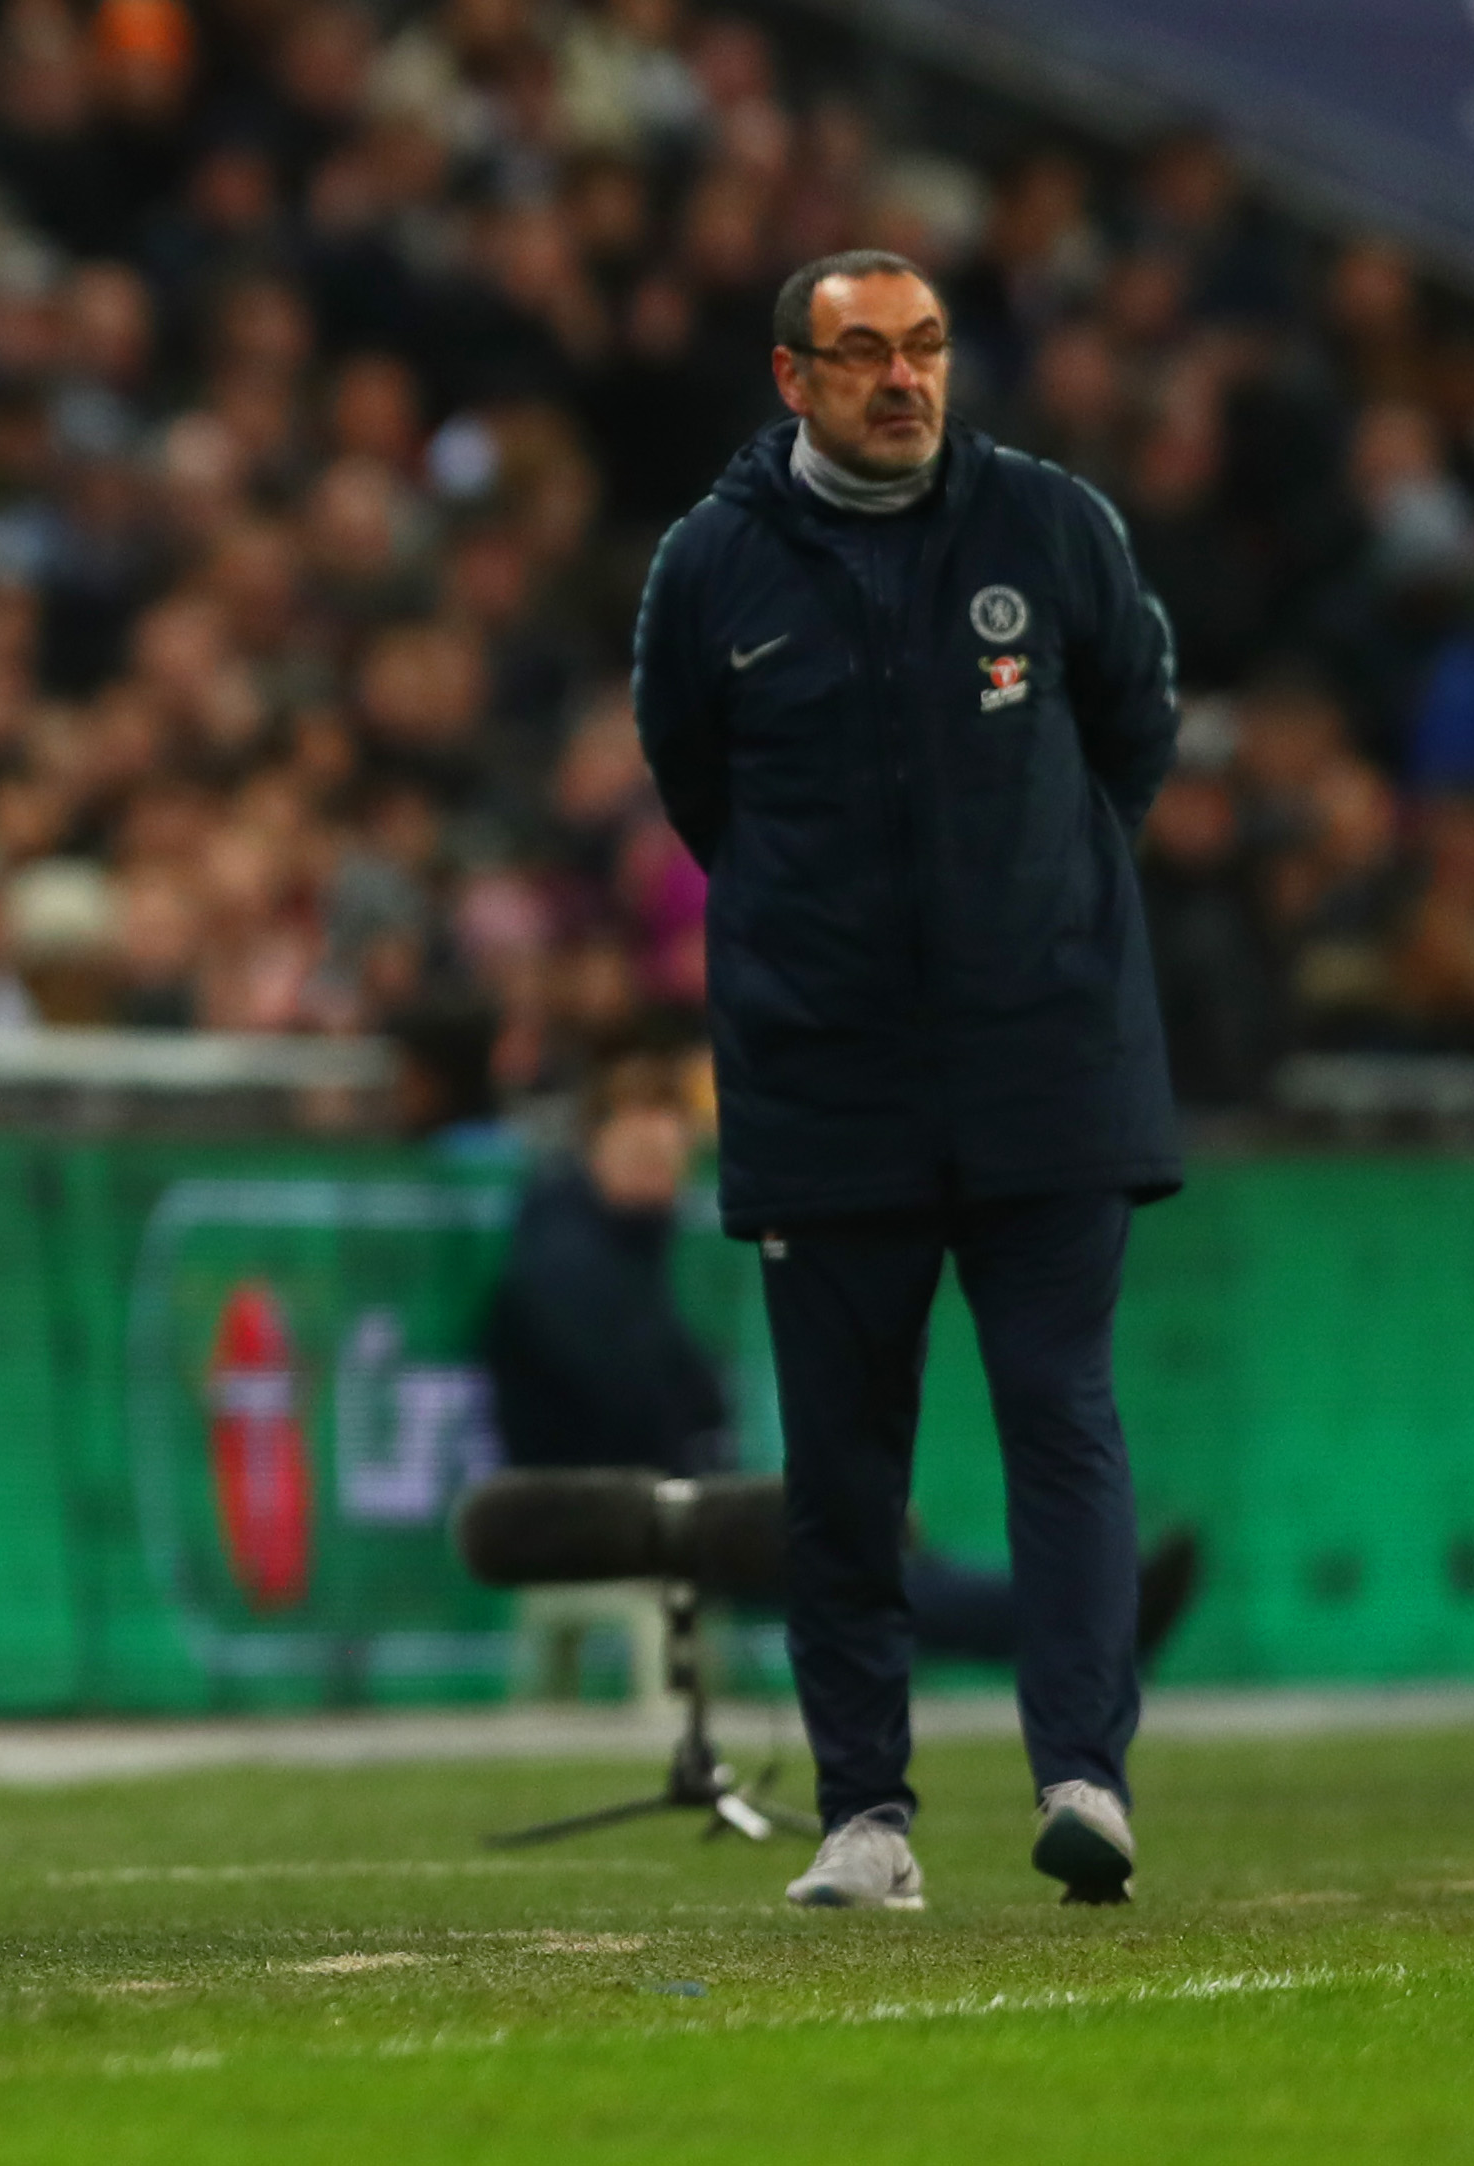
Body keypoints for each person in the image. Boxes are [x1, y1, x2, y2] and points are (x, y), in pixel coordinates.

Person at [632, 251, 1182, 1910]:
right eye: (863, 351)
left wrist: (1035, 917)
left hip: (1044, 1071)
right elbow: (692, 780)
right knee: (847, 1466)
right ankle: (864, 1815)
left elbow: (1132, 729)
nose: (904, 378)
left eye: (927, 346)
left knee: (1058, 1416)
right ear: (790, 376)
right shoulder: (712, 566)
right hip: (828, 1081)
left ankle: (1083, 1776)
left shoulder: (1050, 526)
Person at [482, 1036, 1199, 1666]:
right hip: (621, 1513)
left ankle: (1086, 1618)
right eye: (643, 1152)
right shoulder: (569, 1263)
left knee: (867, 1542)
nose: (662, 1177)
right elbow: (634, 1402)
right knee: (856, 1557)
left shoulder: (602, 1250)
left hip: (663, 1497)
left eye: (671, 1157)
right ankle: (1092, 1623)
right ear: (595, 1143)